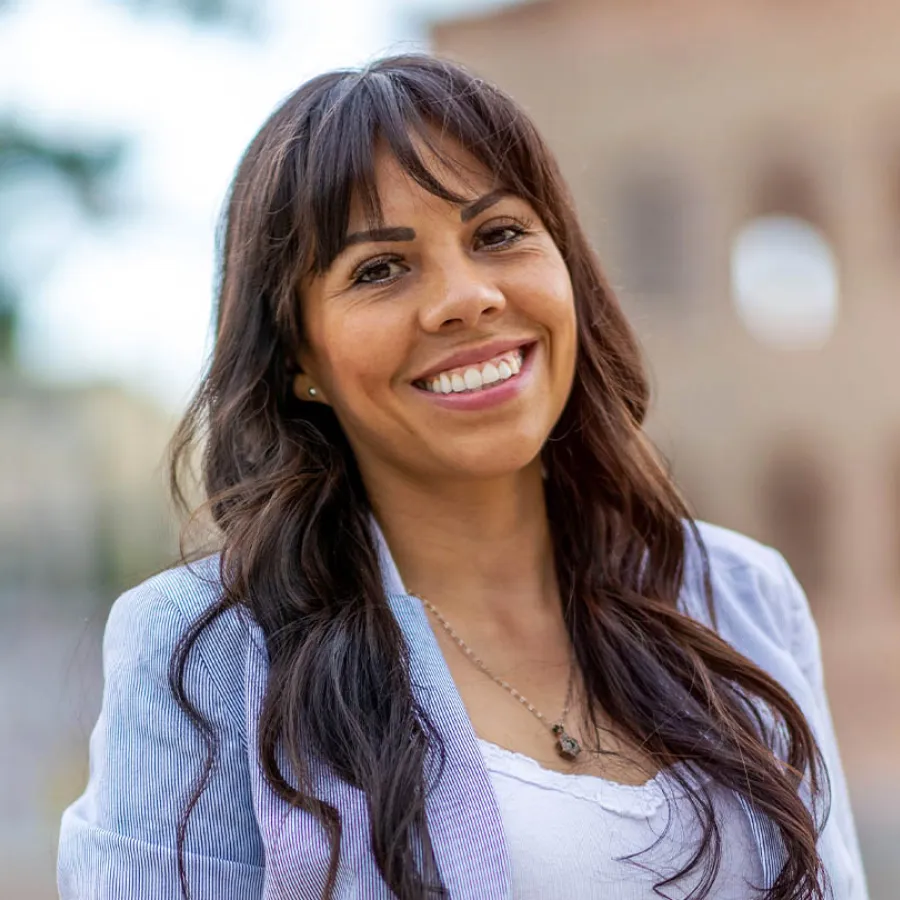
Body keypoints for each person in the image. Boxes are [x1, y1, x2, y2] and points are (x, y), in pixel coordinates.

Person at [57, 54, 868, 900]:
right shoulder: (210, 652)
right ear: (299, 358)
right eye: (378, 269)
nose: (467, 297)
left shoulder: (740, 595)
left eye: (499, 234)